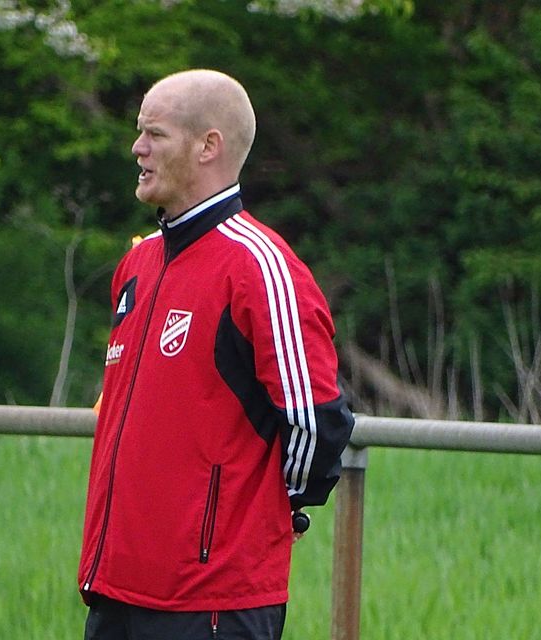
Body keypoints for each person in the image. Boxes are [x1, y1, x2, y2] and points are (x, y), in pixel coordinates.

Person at [78, 69, 355, 640]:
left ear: (208, 146)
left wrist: (268, 510)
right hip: (115, 590)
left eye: (155, 134)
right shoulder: (137, 265)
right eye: (140, 132)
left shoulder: (260, 267)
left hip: (212, 604)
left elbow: (318, 419)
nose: (137, 148)